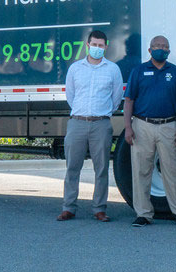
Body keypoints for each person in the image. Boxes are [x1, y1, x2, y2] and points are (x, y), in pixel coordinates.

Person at [123, 35, 176, 228]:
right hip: (142, 125)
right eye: (157, 46)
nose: (161, 48)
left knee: (173, 172)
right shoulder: (139, 71)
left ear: (169, 50)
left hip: (169, 126)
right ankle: (143, 214)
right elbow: (129, 101)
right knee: (141, 172)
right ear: (150, 50)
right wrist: (128, 127)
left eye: (165, 46)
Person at [57, 30, 123, 223]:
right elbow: (71, 96)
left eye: (100, 45)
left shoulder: (112, 70)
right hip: (77, 122)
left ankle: (99, 209)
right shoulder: (75, 69)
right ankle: (68, 208)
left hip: (101, 124)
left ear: (106, 47)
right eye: (94, 45)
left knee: (101, 169)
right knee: (72, 168)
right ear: (87, 45)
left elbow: (116, 98)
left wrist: (103, 112)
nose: (97, 48)